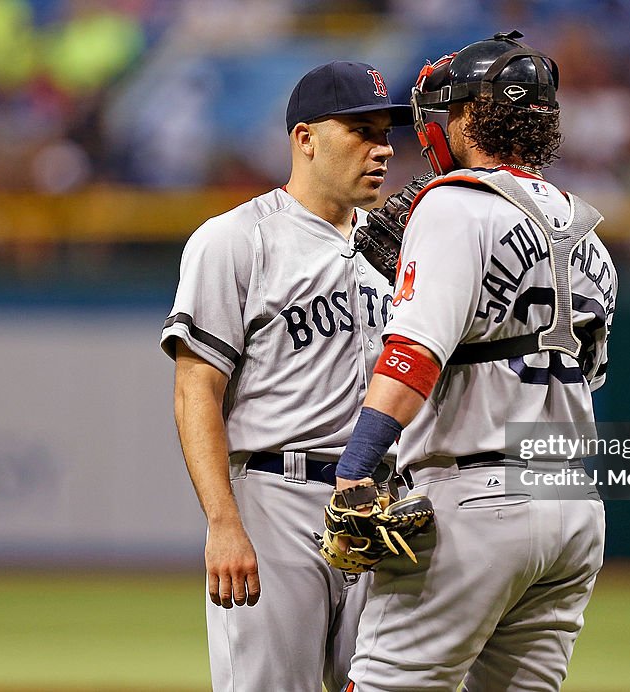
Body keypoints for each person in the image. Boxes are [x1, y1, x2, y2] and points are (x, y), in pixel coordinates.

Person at [333, 32, 615, 691]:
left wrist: (357, 467)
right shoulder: (589, 233)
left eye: (443, 111)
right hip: (572, 505)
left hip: (478, 498)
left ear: (466, 117)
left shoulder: (454, 205)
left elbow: (413, 353)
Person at [161, 61, 412, 691]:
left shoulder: (399, 249)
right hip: (277, 498)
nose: (381, 148)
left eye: (385, 132)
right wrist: (223, 523)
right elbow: (197, 389)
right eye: (360, 130)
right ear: (305, 138)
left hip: (380, 504)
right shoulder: (236, 240)